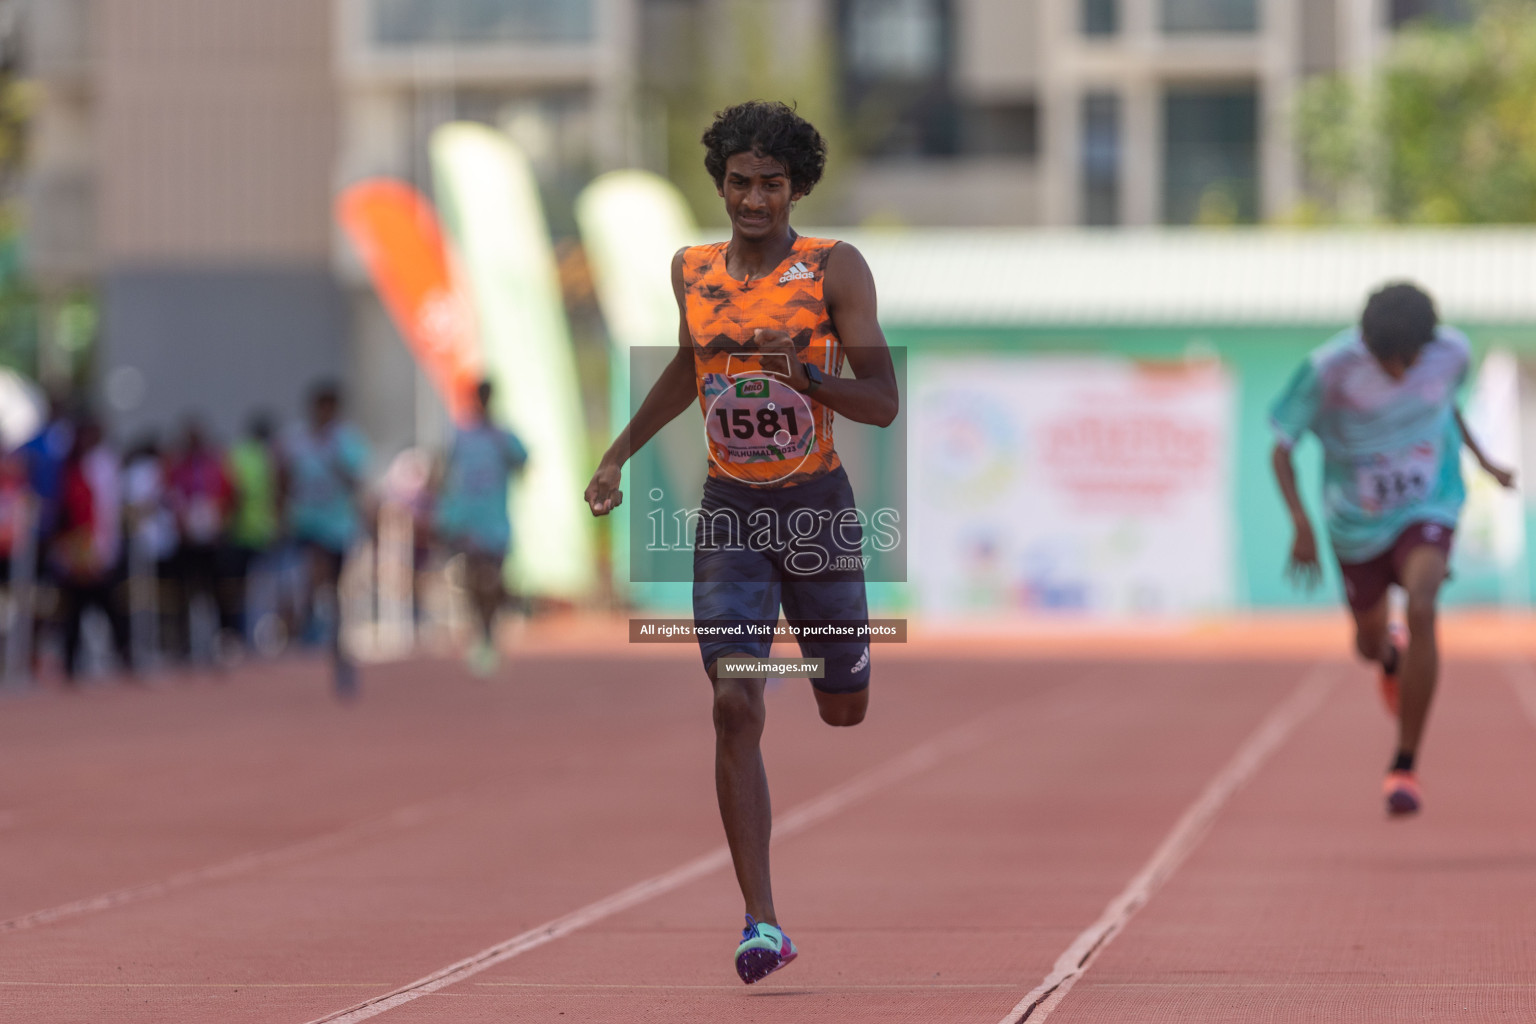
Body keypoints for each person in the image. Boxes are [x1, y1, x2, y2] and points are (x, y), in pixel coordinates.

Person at [584, 101, 899, 983]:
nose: (752, 199)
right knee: (732, 700)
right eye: (737, 183)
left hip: (816, 511)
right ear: (719, 183)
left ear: (797, 187)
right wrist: (616, 454)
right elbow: (689, 367)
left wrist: (803, 372)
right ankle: (762, 922)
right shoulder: (692, 268)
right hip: (729, 510)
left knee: (844, 707)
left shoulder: (833, 269)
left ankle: (807, 664)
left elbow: (881, 401)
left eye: (769, 184)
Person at [1271, 282, 1516, 816]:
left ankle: (1404, 765)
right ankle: (1388, 657)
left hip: (1429, 505)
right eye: (1388, 363)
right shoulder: (1327, 371)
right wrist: (1300, 523)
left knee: (1424, 604)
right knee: (1365, 644)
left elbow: (1443, 406)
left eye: (1409, 362)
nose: (1401, 374)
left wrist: (1485, 461)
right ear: (1366, 345)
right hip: (1354, 524)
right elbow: (1282, 448)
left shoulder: (1451, 353)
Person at [433, 380, 528, 676]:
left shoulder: (503, 436)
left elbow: (523, 463)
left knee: (492, 581)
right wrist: (444, 511)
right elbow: (443, 473)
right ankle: (483, 634)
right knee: (474, 582)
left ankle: (493, 624)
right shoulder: (460, 435)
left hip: (495, 523)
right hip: (467, 522)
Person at [283, 382, 369, 698]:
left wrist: (338, 465)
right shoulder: (297, 442)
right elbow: (285, 478)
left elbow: (358, 480)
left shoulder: (346, 442)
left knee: (334, 594)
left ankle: (336, 647)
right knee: (314, 573)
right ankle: (302, 619)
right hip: (308, 525)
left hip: (339, 528)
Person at [51, 417, 132, 682]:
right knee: (79, 605)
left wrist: (105, 546)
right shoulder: (70, 471)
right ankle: (72, 662)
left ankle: (122, 652)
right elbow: (66, 513)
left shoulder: (101, 466)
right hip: (77, 547)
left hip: (95, 545)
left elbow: (105, 512)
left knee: (104, 602)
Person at [166, 418, 233, 664]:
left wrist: (221, 520)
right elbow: (170, 496)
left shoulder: (215, 465)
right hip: (187, 539)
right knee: (185, 593)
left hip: (211, 538)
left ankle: (220, 641)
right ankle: (184, 645)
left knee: (215, 592)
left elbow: (228, 495)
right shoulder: (178, 467)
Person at [224, 412, 281, 650]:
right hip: (256, 532)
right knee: (258, 588)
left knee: (241, 588)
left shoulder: (236, 454)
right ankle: (256, 634)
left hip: (243, 531)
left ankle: (245, 633)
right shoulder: (266, 456)